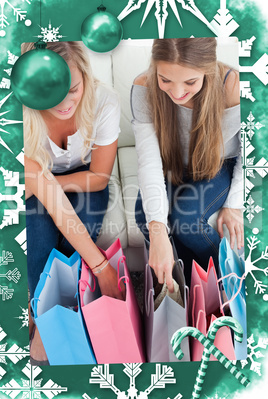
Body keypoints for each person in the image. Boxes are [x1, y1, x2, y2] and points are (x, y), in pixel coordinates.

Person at [23, 41, 124, 364]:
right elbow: (45, 199)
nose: (65, 103)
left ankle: (58, 313)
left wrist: (50, 184)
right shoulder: (19, 113)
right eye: (52, 92)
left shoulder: (104, 101)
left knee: (73, 242)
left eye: (74, 89)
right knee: (37, 249)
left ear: (85, 76)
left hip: (83, 179)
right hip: (35, 182)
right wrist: (101, 267)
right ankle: (43, 317)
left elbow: (98, 177)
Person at [131, 38, 243, 291]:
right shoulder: (143, 86)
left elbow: (254, 149)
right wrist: (157, 231)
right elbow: (149, 161)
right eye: (166, 80)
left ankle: (230, 282)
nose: (177, 92)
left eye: (190, 82)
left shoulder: (233, 85)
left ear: (207, 69)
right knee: (144, 217)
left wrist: (234, 205)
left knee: (188, 220)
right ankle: (187, 287)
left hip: (218, 163)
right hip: (172, 163)